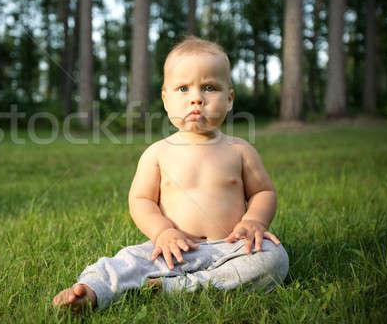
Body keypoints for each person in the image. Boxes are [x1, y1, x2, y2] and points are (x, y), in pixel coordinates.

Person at [52, 36, 289, 311]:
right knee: (127, 260)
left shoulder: (239, 150)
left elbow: (263, 191)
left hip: (230, 247)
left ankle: (180, 288)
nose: (196, 98)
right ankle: (90, 291)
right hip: (172, 248)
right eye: (183, 88)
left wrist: (255, 221)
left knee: (273, 258)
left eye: (209, 87)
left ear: (229, 99)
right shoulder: (158, 153)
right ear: (166, 99)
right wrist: (163, 232)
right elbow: (141, 201)